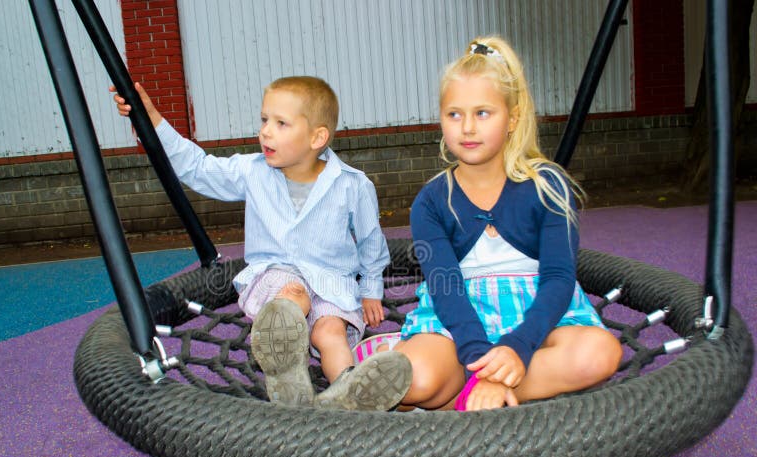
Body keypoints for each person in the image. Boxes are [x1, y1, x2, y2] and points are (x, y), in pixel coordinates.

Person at [111, 76, 412, 411]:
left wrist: (371, 288)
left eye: (281, 123)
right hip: (276, 274)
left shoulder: (352, 185)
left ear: (317, 137)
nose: (266, 131)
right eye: (264, 120)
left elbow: (371, 242)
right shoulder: (252, 172)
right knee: (292, 297)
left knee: (330, 333)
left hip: (332, 284)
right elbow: (196, 167)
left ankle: (349, 391)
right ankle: (287, 368)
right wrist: (152, 118)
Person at [355, 36, 622, 411]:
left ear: (512, 119)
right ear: (441, 119)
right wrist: (482, 359)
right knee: (416, 378)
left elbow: (560, 277)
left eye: (483, 113)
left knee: (599, 354)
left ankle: (465, 398)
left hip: (537, 318)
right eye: (454, 114)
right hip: (459, 317)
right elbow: (446, 287)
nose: (467, 128)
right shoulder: (432, 200)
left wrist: (519, 346)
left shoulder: (548, 186)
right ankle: (469, 391)